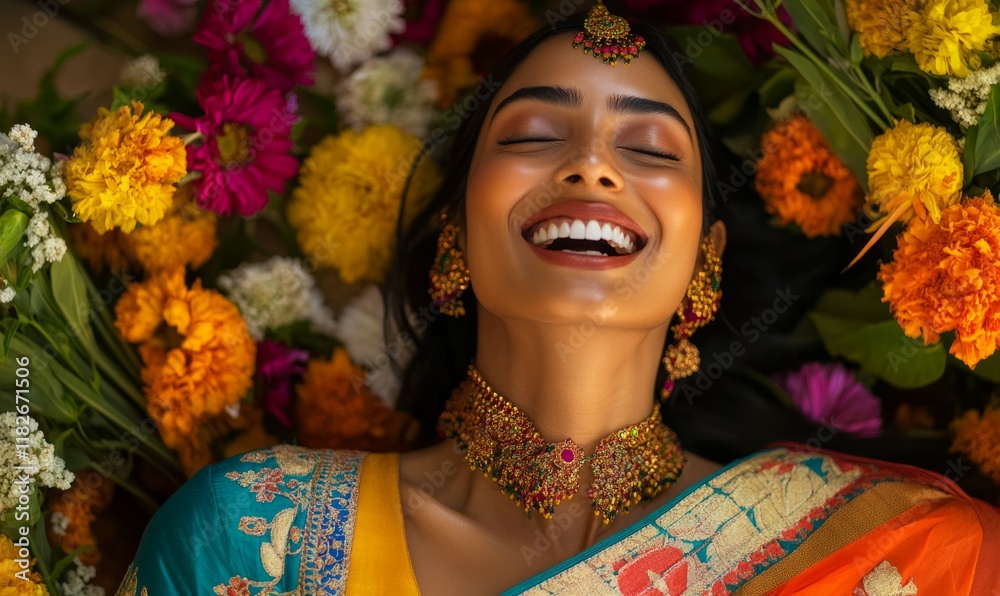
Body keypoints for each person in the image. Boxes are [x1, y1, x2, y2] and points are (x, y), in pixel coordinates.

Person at [116, 3, 1000, 595]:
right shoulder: (246, 541)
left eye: (651, 150)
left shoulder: (906, 555)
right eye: (536, 134)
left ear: (708, 260)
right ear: (455, 234)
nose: (592, 163)